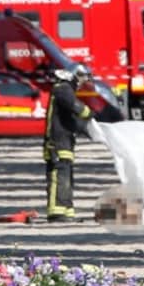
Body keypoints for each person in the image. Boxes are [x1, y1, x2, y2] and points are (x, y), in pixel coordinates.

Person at [43, 66, 93, 222]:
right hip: (57, 143)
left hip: (65, 142)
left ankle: (66, 210)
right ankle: (56, 212)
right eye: (81, 78)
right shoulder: (62, 89)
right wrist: (87, 112)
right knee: (59, 176)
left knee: (67, 178)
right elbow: (75, 106)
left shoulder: (65, 91)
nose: (82, 83)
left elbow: (72, 121)